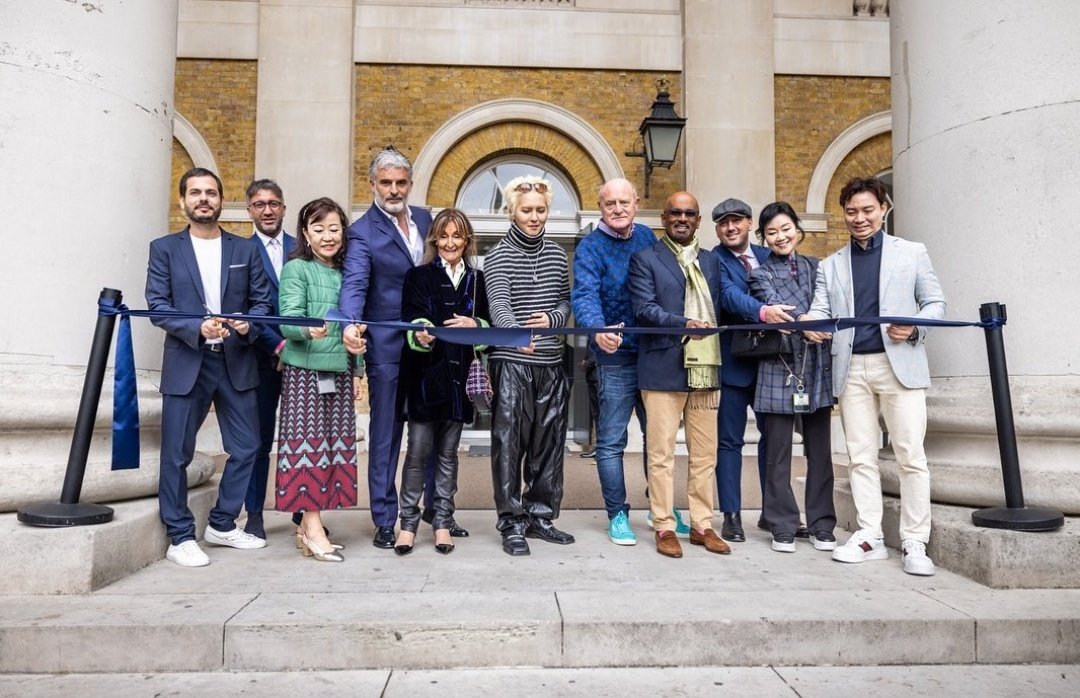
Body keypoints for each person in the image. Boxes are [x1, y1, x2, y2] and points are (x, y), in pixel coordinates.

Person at [803, 177, 946, 576]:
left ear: (884, 208)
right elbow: (820, 308)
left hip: (899, 364)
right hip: (852, 370)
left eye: (867, 210)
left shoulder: (912, 253)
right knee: (860, 457)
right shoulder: (830, 265)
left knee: (910, 457)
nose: (859, 218)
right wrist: (809, 324)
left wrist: (915, 326)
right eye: (851, 212)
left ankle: (916, 540)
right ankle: (870, 535)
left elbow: (936, 302)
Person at [145, 167, 273, 567]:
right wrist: (196, 327)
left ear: (222, 201)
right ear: (183, 201)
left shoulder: (245, 249)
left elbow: (263, 304)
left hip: (235, 360)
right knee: (176, 454)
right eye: (196, 193)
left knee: (248, 447)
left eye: (212, 193)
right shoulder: (164, 248)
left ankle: (221, 523)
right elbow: (157, 306)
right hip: (188, 360)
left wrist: (248, 323)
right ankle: (179, 535)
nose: (204, 199)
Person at [339, 147, 465, 550]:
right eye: (386, 183)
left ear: (410, 184)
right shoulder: (362, 231)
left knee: (431, 431)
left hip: (432, 348)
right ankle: (384, 517)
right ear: (373, 184)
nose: (394, 190)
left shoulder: (429, 220)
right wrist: (350, 324)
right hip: (389, 348)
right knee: (387, 434)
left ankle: (435, 513)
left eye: (401, 183)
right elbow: (355, 284)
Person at [628, 191, 730, 558]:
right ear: (664, 218)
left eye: (689, 213)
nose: (682, 218)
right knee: (661, 455)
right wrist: (684, 323)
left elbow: (723, 303)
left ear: (699, 220)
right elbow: (644, 309)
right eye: (675, 213)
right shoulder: (645, 259)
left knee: (705, 454)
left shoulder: (711, 262)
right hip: (662, 369)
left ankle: (703, 524)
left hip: (705, 368)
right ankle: (664, 526)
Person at [571, 177, 664, 546]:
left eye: (624, 202)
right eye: (610, 204)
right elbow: (584, 295)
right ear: (601, 208)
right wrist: (597, 329)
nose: (618, 209)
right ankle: (618, 514)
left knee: (657, 440)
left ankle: (661, 509)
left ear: (636, 203)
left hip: (654, 356)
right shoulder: (590, 248)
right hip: (613, 359)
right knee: (611, 441)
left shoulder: (647, 239)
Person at [485, 175, 574, 556]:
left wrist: (554, 320)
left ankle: (539, 517)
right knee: (509, 445)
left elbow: (566, 302)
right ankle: (511, 523)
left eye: (541, 210)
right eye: (527, 210)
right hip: (512, 364)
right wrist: (517, 337)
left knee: (548, 446)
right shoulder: (497, 255)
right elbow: (499, 307)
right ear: (512, 212)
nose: (535, 217)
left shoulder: (556, 254)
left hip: (552, 362)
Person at [394, 208, 489, 556]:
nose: (450, 243)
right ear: (435, 239)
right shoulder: (417, 276)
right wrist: (422, 330)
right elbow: (409, 316)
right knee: (417, 454)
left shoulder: (477, 280)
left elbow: (489, 327)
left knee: (449, 455)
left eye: (457, 236)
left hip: (458, 381)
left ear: (466, 241)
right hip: (423, 379)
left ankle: (443, 523)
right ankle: (407, 525)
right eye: (444, 236)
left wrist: (475, 326)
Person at [275, 197, 363, 562]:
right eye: (318, 229)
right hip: (305, 374)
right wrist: (306, 330)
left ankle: (309, 527)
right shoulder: (297, 269)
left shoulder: (348, 274)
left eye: (334, 228)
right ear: (306, 234)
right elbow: (286, 319)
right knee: (307, 451)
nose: (328, 236)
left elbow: (355, 328)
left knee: (332, 449)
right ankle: (312, 527)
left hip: (339, 374)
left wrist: (357, 369)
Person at [747, 202, 836, 553]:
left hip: (816, 365)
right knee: (777, 454)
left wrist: (812, 323)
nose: (780, 237)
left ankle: (822, 524)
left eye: (785, 229)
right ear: (764, 238)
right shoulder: (759, 274)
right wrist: (807, 324)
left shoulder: (819, 268)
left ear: (797, 230)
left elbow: (831, 303)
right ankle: (782, 525)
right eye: (771, 232)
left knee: (820, 452)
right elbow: (776, 308)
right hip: (777, 367)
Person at [242, 178, 295, 540]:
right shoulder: (240, 252)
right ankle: (255, 515)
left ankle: (303, 513)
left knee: (303, 440)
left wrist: (294, 348)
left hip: (303, 358)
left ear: (283, 208)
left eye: (273, 203)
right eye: (259, 204)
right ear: (250, 211)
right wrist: (276, 346)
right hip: (260, 359)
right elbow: (244, 308)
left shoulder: (301, 247)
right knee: (259, 441)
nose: (267, 210)